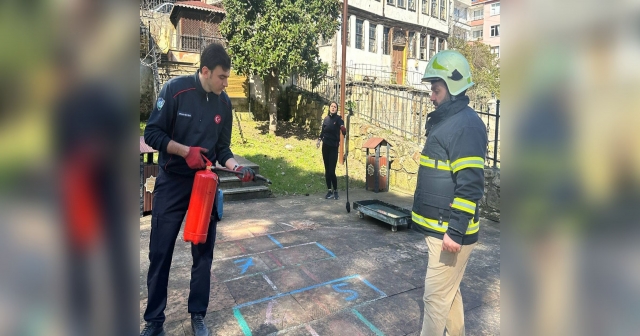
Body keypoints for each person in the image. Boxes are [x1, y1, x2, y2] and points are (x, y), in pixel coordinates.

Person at [141, 43, 255, 336]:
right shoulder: (175, 90)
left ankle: (198, 314)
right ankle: (154, 321)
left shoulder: (224, 103)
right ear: (205, 71)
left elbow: (222, 148)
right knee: (160, 251)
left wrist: (234, 166)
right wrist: (183, 151)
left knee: (203, 253)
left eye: (227, 77)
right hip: (171, 181)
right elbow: (152, 133)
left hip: (203, 185)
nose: (226, 83)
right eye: (221, 77)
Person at [412, 50, 488, 336]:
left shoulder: (465, 126)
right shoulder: (450, 121)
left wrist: (455, 231)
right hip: (440, 230)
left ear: (454, 88)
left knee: (434, 299)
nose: (431, 96)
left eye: (436, 89)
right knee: (449, 294)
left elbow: (470, 185)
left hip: (450, 232)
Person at [316, 101, 347, 199]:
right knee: (326, 169)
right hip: (325, 147)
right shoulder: (326, 119)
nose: (333, 108)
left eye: (335, 107)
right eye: (332, 106)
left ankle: (336, 190)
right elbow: (323, 132)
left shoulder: (338, 119)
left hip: (333, 147)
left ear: (336, 109)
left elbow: (342, 126)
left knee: (331, 171)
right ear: (329, 108)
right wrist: (319, 140)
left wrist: (343, 129)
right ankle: (329, 190)